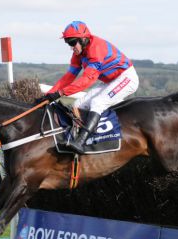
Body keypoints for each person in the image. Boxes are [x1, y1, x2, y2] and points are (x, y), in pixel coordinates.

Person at [41, 21, 139, 153]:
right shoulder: (78, 54)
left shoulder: (96, 49)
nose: (71, 47)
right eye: (68, 43)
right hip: (109, 81)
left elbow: (87, 79)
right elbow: (69, 76)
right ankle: (77, 138)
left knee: (98, 102)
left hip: (126, 77)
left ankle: (81, 142)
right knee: (78, 104)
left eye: (72, 42)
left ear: (83, 39)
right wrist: (49, 95)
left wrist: (61, 93)